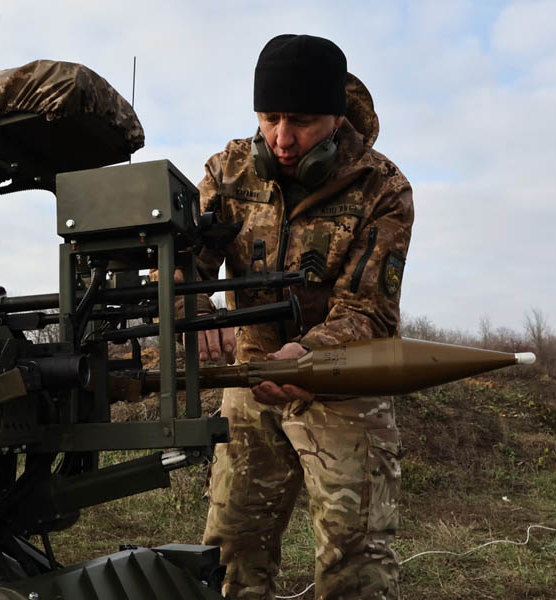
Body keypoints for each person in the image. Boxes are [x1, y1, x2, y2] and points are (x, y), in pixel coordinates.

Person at [194, 34, 414, 599]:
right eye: (269, 118)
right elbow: (178, 263)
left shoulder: (383, 187)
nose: (283, 139)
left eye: (303, 121)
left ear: (337, 119)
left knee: (354, 555)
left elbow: (367, 307)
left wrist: (307, 354)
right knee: (230, 552)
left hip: (343, 382)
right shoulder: (227, 171)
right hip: (248, 385)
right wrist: (195, 307)